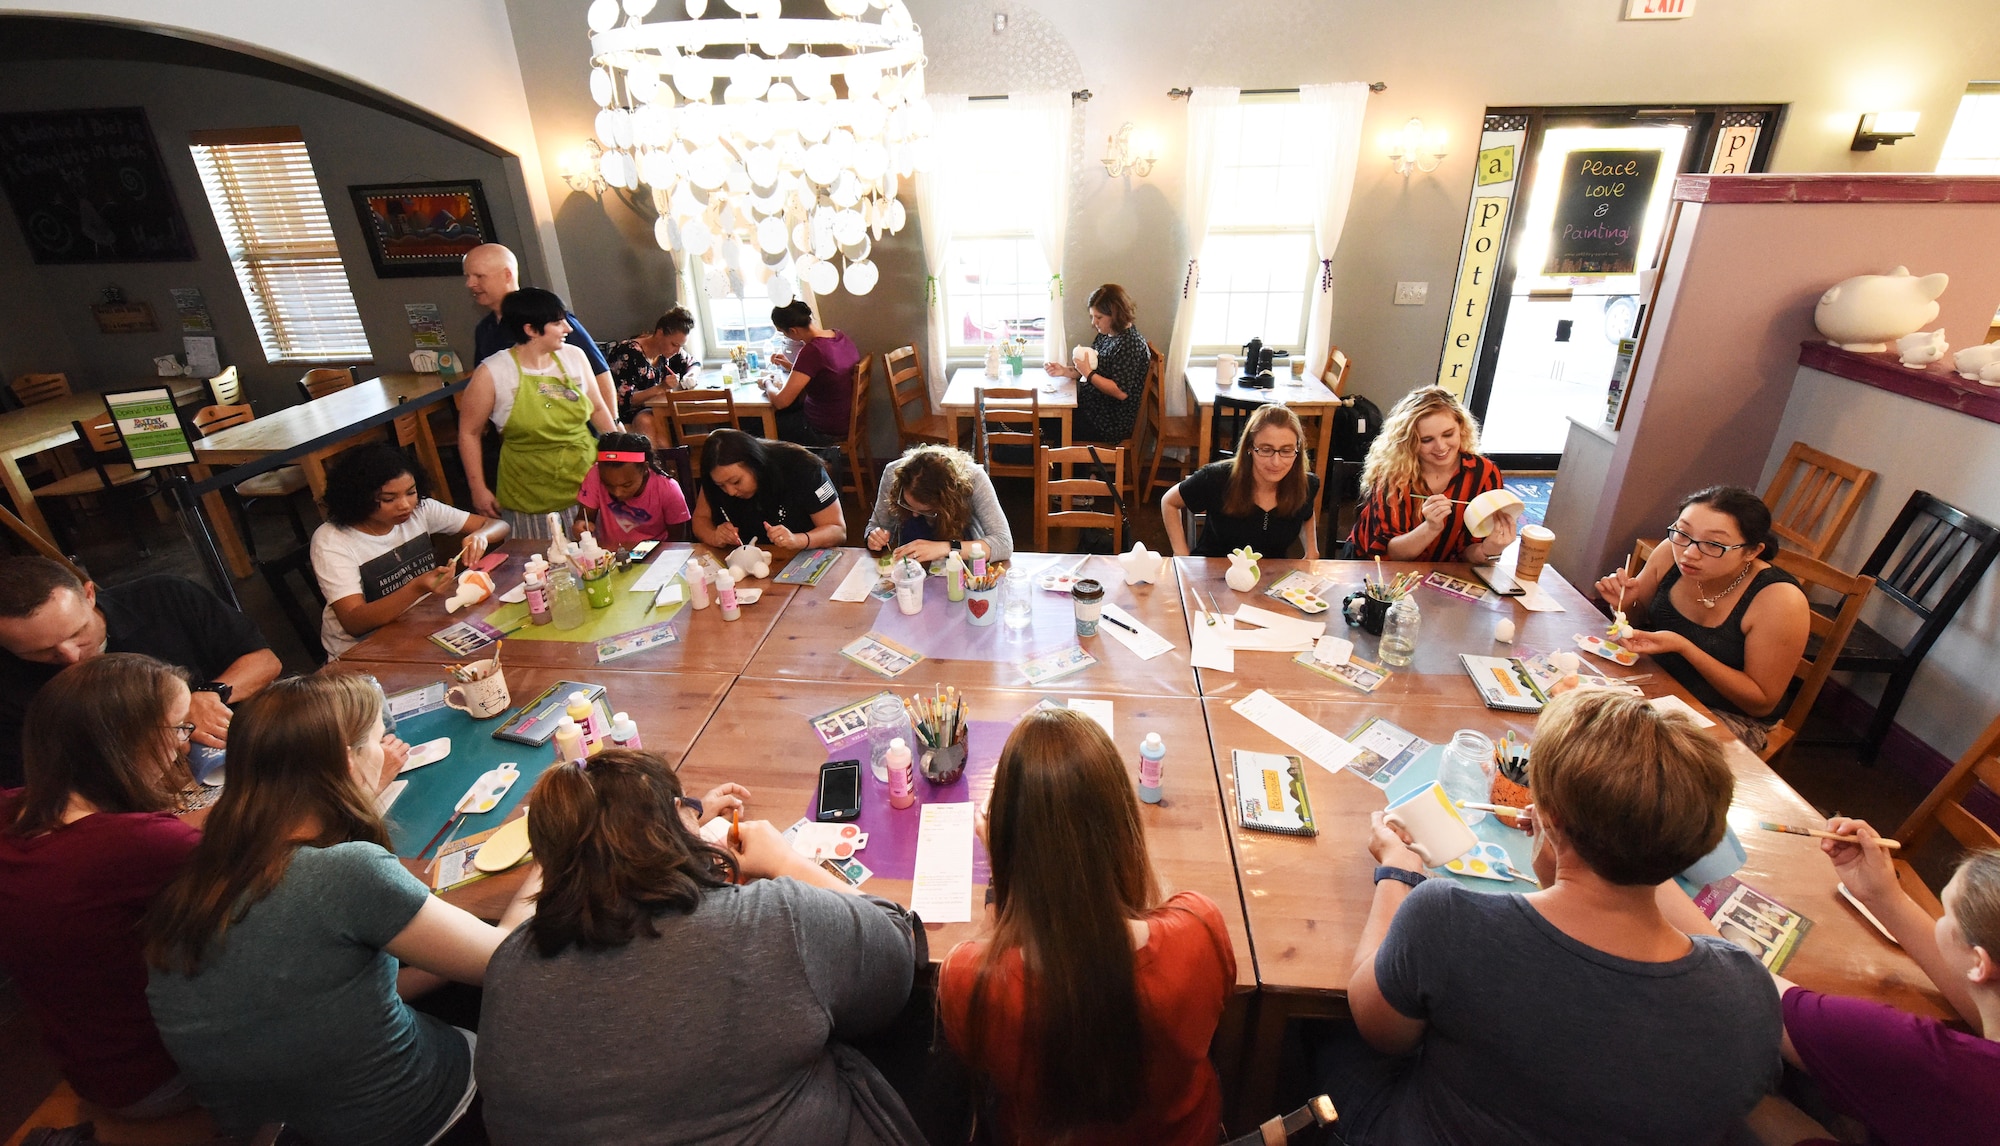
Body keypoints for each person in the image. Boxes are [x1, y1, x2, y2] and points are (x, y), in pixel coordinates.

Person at [1322, 689, 1780, 1144]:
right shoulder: (1750, 991)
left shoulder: (1446, 918)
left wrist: (1398, 875)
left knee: (1327, 1041)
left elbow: (1378, 1029)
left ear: (1548, 814)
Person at [145, 673, 540, 1146]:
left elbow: (344, 990)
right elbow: (508, 957)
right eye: (378, 741)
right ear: (347, 762)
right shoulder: (344, 873)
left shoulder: (196, 881)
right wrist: (551, 851)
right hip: (423, 1118)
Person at [477, 749, 926, 1145]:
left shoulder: (507, 970)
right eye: (690, 810)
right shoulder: (770, 923)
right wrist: (785, 861)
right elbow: (898, 947)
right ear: (680, 817)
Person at [939, 707, 1236, 1145]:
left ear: (1007, 843)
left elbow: (994, 958)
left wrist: (999, 877)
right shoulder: (1199, 928)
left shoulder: (969, 982)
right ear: (1122, 825)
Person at [1657, 827, 2000, 1146]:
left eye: (1946, 914)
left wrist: (1646, 868)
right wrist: (1884, 897)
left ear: (1980, 963)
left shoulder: (1925, 1060)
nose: (1938, 919)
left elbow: (1747, 986)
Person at [0, 655, 201, 1119]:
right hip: (164, 1075)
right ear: (122, 743)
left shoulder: (15, 809)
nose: (182, 748)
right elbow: (278, 887)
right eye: (175, 729)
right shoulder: (139, 844)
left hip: (94, 1069)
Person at [0, 558, 280, 790]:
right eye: (42, 652)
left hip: (246, 751)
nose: (71, 657)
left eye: (77, 633)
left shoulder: (163, 597)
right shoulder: (8, 686)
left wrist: (208, 694)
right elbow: (29, 786)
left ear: (89, 594)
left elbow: (264, 661)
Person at [1593, 486, 1810, 753]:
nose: (1689, 553)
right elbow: (1638, 619)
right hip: (1657, 682)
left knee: (1620, 754)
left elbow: (1761, 702)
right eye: (1683, 533)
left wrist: (1684, 647)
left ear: (1752, 551)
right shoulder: (1670, 553)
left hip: (1726, 715)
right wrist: (1624, 603)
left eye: (1713, 545)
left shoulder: (1778, 600)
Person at [310, 444, 510, 660]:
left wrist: (481, 536)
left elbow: (498, 526)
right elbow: (354, 622)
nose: (405, 505)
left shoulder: (420, 510)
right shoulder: (332, 540)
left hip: (419, 629)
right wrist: (416, 588)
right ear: (359, 498)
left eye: (411, 492)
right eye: (388, 499)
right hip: (362, 655)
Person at [458, 287, 618, 539]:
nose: (569, 328)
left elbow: (598, 408)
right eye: (557, 322)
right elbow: (469, 432)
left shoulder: (575, 356)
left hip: (588, 482)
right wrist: (477, 487)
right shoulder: (493, 372)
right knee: (543, 567)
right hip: (529, 493)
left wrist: (626, 450)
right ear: (530, 329)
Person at [1347, 386, 1513, 562]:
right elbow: (1391, 554)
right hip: (1374, 566)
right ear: (1408, 441)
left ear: (1461, 428)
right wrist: (1430, 528)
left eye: (1448, 434)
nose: (1441, 447)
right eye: (1426, 440)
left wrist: (1489, 549)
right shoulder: (1393, 472)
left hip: (1444, 571)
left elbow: (1468, 555)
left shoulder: (1484, 474)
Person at [464, 243, 617, 422]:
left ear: (507, 275)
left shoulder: (551, 321)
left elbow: (599, 372)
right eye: (467, 276)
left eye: (479, 276)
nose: (470, 284)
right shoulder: (485, 329)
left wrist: (612, 424)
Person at [1162, 403, 1321, 560]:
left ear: (1298, 450)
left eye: (1286, 451)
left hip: (1270, 578)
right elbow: (1169, 502)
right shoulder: (1217, 478)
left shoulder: (1305, 485)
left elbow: (1306, 513)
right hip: (1214, 574)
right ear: (1249, 448)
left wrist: (1312, 551)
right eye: (1266, 450)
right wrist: (1182, 556)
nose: (1276, 462)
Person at [690, 429, 847, 550]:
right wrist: (714, 536)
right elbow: (700, 519)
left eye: (736, 481)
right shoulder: (717, 475)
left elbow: (837, 531)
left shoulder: (803, 467)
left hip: (801, 556)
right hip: (745, 562)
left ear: (755, 464)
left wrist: (797, 540)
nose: (730, 492)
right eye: (721, 486)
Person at [864, 444, 1013, 564]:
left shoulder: (974, 479)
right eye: (907, 505)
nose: (914, 515)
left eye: (925, 511)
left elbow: (1003, 543)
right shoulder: (892, 474)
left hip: (964, 566)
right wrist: (874, 537)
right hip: (912, 568)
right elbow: (875, 526)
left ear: (946, 502)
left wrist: (946, 548)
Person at [1041, 284, 1150, 445]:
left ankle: (1073, 470)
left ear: (1115, 314)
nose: (1094, 323)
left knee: (1050, 424)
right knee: (1047, 421)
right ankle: (1079, 470)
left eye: (1098, 317)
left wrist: (1088, 374)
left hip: (1109, 423)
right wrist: (1065, 371)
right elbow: (1091, 368)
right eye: (1092, 316)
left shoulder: (1130, 344)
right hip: (1093, 412)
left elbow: (1120, 392)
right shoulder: (1107, 335)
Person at [763, 299, 862, 447]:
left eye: (783, 333)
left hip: (824, 427)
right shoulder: (838, 336)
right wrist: (792, 366)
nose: (786, 337)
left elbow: (781, 402)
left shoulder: (812, 350)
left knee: (762, 425)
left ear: (793, 330)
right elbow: (826, 375)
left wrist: (766, 382)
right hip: (846, 417)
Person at [574, 432, 691, 549]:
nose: (617, 492)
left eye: (627, 485)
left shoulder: (667, 488)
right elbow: (584, 518)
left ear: (645, 468)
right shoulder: (595, 475)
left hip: (655, 555)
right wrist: (581, 526)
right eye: (608, 485)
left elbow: (677, 539)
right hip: (611, 555)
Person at [604, 306, 698, 446]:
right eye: (674, 344)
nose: (678, 350)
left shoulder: (670, 351)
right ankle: (658, 465)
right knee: (648, 421)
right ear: (660, 333)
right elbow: (625, 400)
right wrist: (661, 387)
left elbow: (694, 363)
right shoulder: (629, 353)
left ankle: (671, 464)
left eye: (681, 345)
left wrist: (690, 376)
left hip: (655, 409)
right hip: (626, 413)